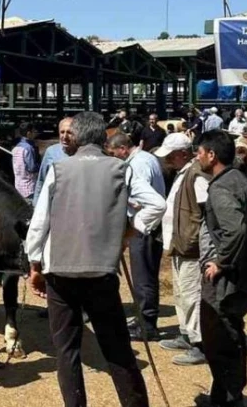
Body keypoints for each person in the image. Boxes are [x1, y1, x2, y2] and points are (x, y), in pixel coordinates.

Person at [26, 112, 150, 407]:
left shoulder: (59, 169)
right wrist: (129, 231)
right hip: (102, 273)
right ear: (103, 137)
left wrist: (34, 264)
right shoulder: (121, 168)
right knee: (116, 348)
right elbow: (156, 205)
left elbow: (39, 223)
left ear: (78, 137)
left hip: (61, 273)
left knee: (67, 352)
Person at [197, 130, 247, 407]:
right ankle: (226, 394)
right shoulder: (239, 179)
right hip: (244, 272)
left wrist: (221, 262)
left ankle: (228, 397)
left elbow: (234, 229)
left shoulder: (220, 187)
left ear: (212, 155)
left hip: (227, 279)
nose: (198, 156)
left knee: (220, 337)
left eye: (200, 152)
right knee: (231, 334)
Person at [106, 131, 167, 342]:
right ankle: (143, 317)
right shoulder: (147, 158)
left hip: (143, 224)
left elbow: (144, 197)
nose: (113, 158)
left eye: (114, 154)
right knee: (145, 275)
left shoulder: (137, 165)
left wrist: (129, 205)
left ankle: (147, 324)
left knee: (143, 277)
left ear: (123, 149)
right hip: (148, 224)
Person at [157, 133, 211, 366]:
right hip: (181, 244)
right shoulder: (185, 173)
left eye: (170, 155)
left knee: (191, 295)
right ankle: (187, 333)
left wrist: (198, 240)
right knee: (181, 293)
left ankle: (200, 344)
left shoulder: (197, 176)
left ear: (182, 154)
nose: (167, 160)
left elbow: (207, 210)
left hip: (191, 246)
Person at [34, 116, 74, 199]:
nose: (65, 137)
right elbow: (41, 180)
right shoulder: (51, 152)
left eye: (69, 132)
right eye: (62, 132)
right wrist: (36, 205)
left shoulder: (82, 152)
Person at [11, 122, 39, 202]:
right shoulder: (29, 148)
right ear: (28, 133)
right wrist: (40, 166)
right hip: (29, 188)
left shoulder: (16, 148)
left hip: (18, 186)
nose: (35, 134)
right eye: (34, 132)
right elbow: (31, 168)